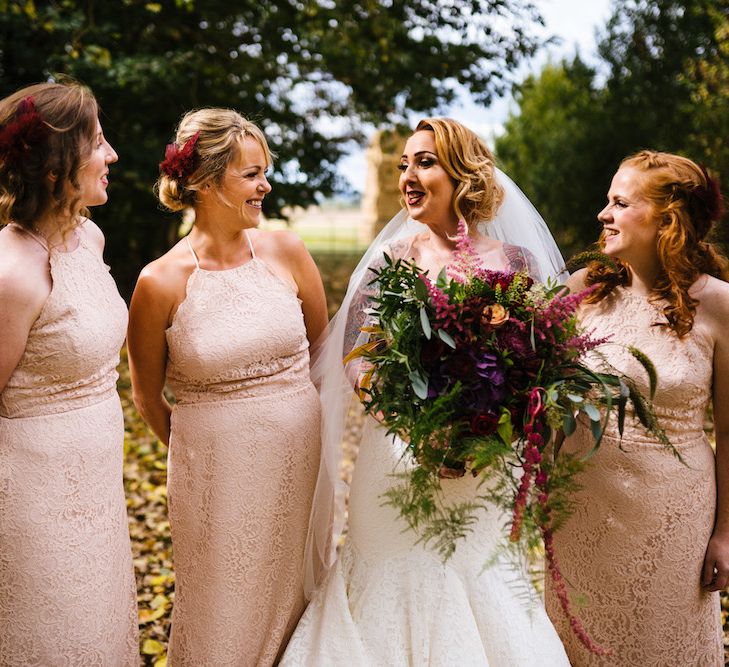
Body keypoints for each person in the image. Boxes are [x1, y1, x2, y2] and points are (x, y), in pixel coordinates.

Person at [281, 118, 570, 666]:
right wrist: (423, 428)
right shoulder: (393, 261)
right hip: (398, 457)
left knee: (479, 575)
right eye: (402, 166)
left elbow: (539, 368)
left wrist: (483, 430)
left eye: (424, 163)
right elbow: (356, 358)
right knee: (389, 570)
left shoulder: (517, 266)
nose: (408, 177)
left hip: (486, 463)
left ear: (463, 174)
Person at [127, 108, 327, 666]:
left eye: (265, 172)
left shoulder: (288, 252)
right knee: (221, 615)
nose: (266, 185)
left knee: (298, 601)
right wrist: (207, 452)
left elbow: (323, 351)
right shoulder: (159, 282)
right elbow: (146, 396)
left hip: (301, 469)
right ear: (207, 182)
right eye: (251, 175)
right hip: (215, 479)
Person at [545, 150, 728, 665]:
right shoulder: (582, 292)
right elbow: (530, 385)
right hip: (581, 507)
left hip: (672, 515)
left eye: (620, 203)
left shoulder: (718, 305)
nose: (603, 214)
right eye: (607, 201)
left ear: (667, 219)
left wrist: (727, 534)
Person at [0, 81, 138, 664]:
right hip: (33, 499)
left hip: (100, 489)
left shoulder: (89, 238)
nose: (111, 157)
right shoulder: (13, 273)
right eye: (99, 143)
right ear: (56, 167)